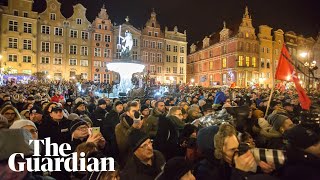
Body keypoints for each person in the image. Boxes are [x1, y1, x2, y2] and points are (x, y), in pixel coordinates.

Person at [115, 101, 143, 167]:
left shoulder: (141, 122)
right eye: (134, 111)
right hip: (128, 160)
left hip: (141, 158)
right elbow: (122, 146)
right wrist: (133, 128)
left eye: (138, 110)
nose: (137, 113)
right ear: (128, 113)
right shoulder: (119, 127)